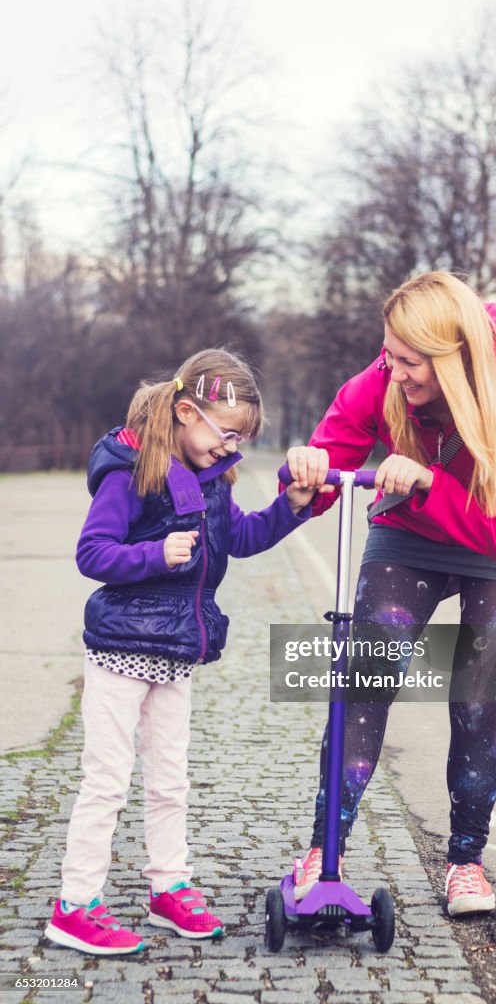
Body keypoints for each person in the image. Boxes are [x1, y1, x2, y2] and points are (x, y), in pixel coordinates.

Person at [285, 271, 496, 916]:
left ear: (454, 358)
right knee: (364, 682)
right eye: (390, 354)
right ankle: (327, 850)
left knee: (473, 696)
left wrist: (432, 484)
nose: (394, 371)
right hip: (409, 533)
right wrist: (306, 477)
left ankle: (466, 862)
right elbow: (331, 467)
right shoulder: (380, 380)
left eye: (410, 361)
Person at [46, 348, 323, 955]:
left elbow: (239, 538)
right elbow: (92, 553)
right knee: (107, 781)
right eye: (225, 435)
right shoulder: (130, 471)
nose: (230, 449)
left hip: (175, 649)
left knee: (171, 780)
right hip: (122, 646)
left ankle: (168, 886)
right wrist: (154, 554)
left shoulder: (212, 475)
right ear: (185, 410)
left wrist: (291, 510)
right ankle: (74, 904)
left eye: (240, 439)